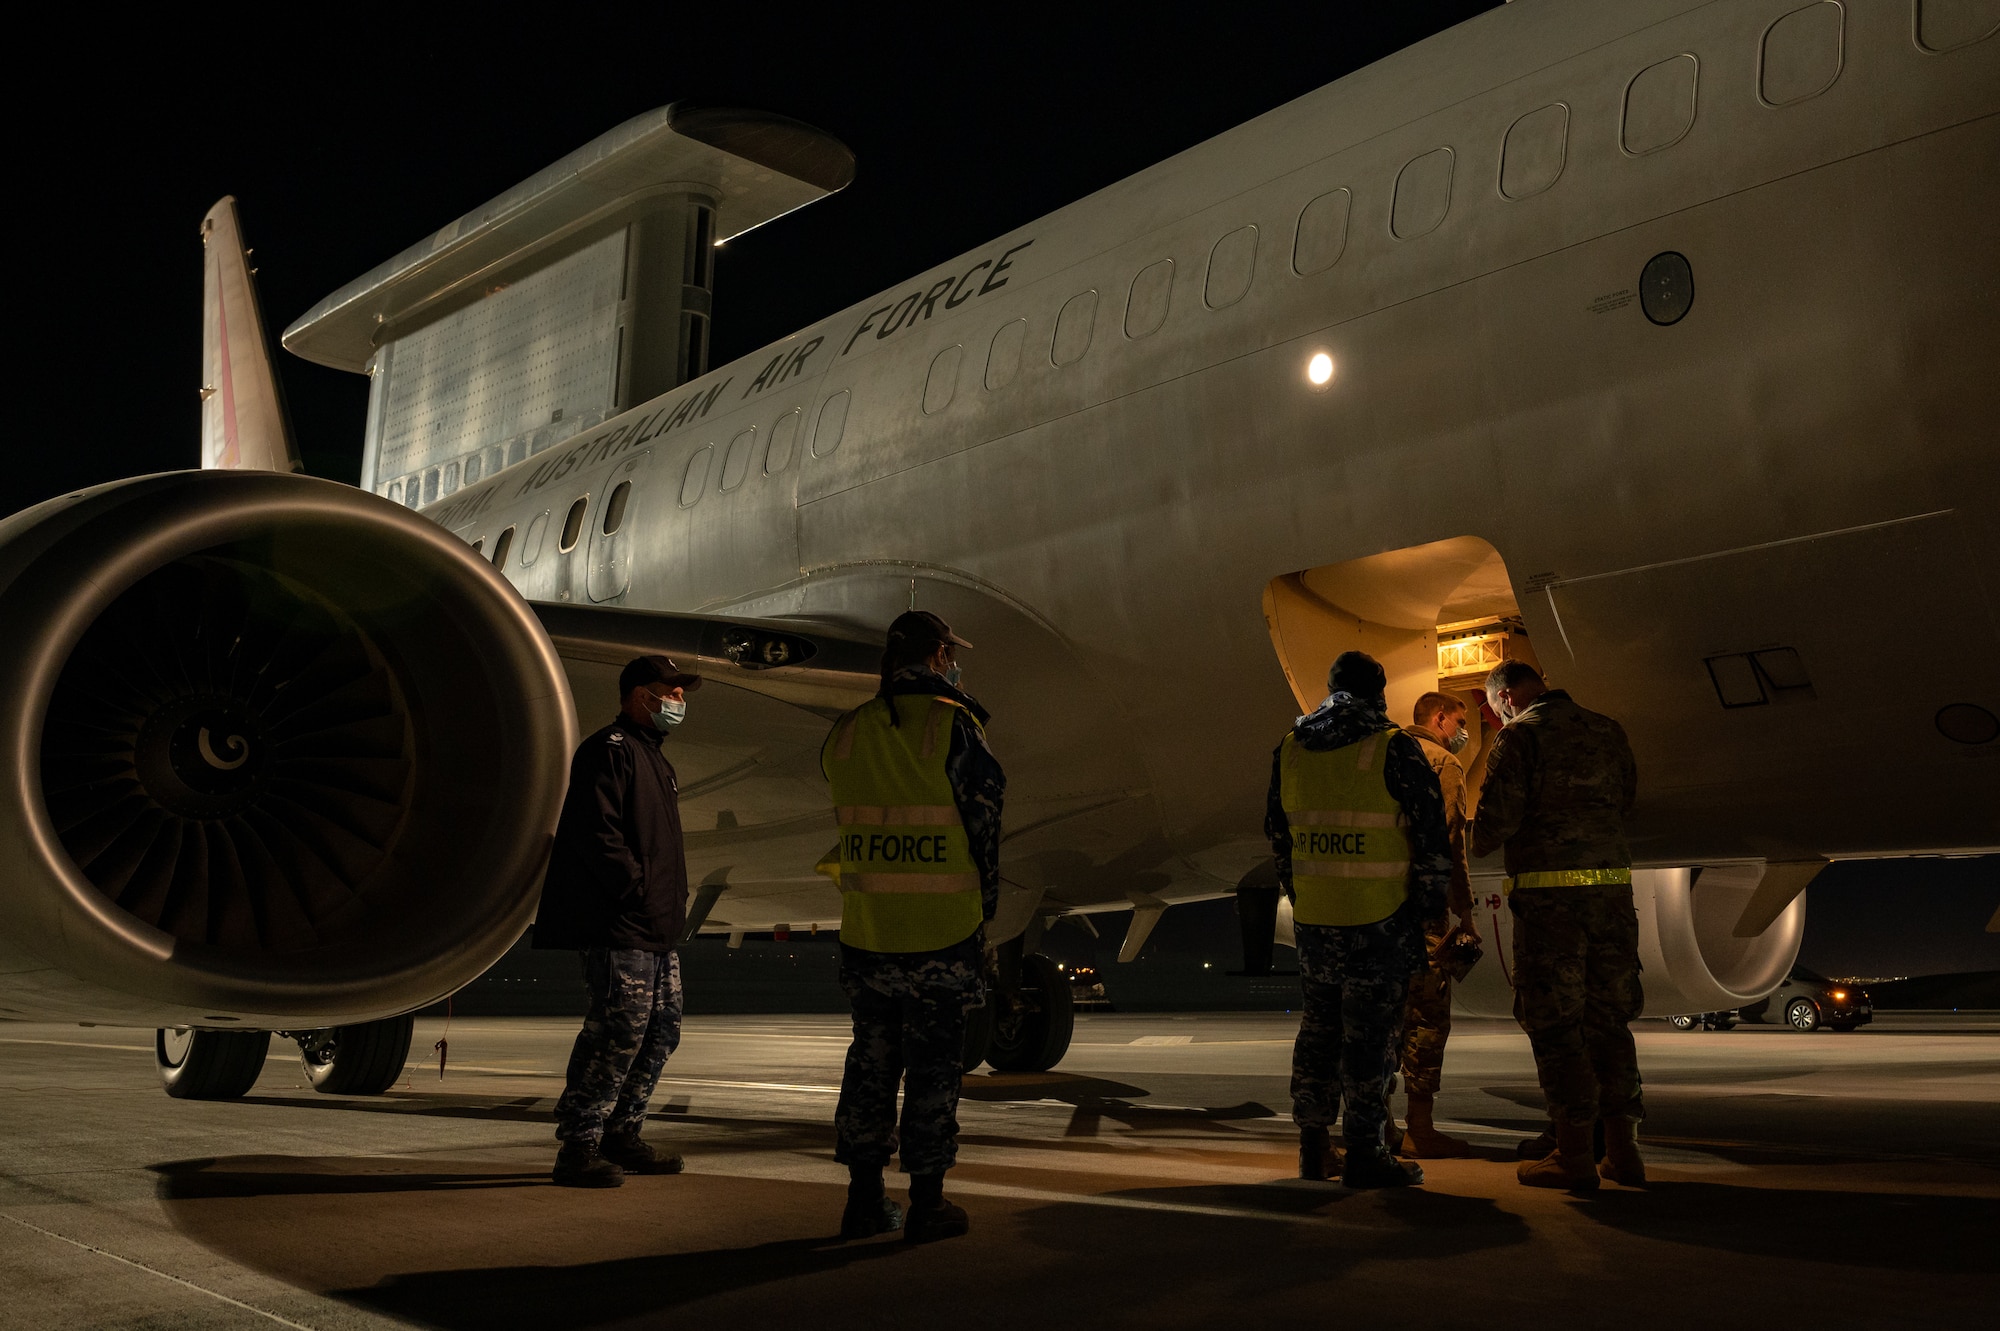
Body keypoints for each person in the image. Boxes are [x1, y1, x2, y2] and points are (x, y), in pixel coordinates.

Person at [821, 610, 1005, 1242]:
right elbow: (983, 822)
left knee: (871, 1067)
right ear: (938, 656)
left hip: (870, 933)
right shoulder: (954, 727)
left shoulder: (847, 733)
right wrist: (986, 909)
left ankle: (863, 1200)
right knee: (932, 1074)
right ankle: (927, 1203)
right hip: (941, 934)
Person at [1267, 651, 1452, 1188]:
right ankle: (1368, 1153)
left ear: (1328, 689)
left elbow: (1280, 838)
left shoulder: (1290, 750)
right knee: (1371, 1038)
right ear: (1380, 692)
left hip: (1317, 921)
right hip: (1381, 920)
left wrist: (1304, 899)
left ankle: (1314, 1147)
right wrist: (1428, 916)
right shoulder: (1394, 748)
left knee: (1319, 1032)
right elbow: (1433, 843)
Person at [1470, 660, 1644, 1191]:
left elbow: (1494, 825)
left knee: (1557, 1026)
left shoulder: (1520, 737)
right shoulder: (1607, 729)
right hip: (1613, 901)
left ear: (1503, 700)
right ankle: (1623, 1154)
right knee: (1610, 1024)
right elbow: (1627, 801)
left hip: (1552, 908)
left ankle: (1572, 1156)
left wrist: (1465, 833)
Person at [532, 654, 702, 1188]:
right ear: (638, 694)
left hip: (656, 929)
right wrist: (637, 889)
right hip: (621, 925)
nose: (677, 701)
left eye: (680, 693)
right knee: (618, 1029)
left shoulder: (656, 760)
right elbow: (595, 834)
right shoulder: (609, 752)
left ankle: (622, 1133)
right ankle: (578, 1145)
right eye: (668, 691)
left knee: (661, 1029)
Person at [1390, 691, 1481, 1159]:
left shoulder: (1384, 754)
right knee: (1426, 1019)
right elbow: (1451, 841)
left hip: (1375, 909)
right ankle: (1419, 1128)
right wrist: (1464, 910)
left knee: (1382, 1018)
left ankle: (1377, 1125)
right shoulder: (1443, 762)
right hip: (1422, 911)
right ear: (1440, 718)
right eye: (1462, 721)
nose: (1465, 731)